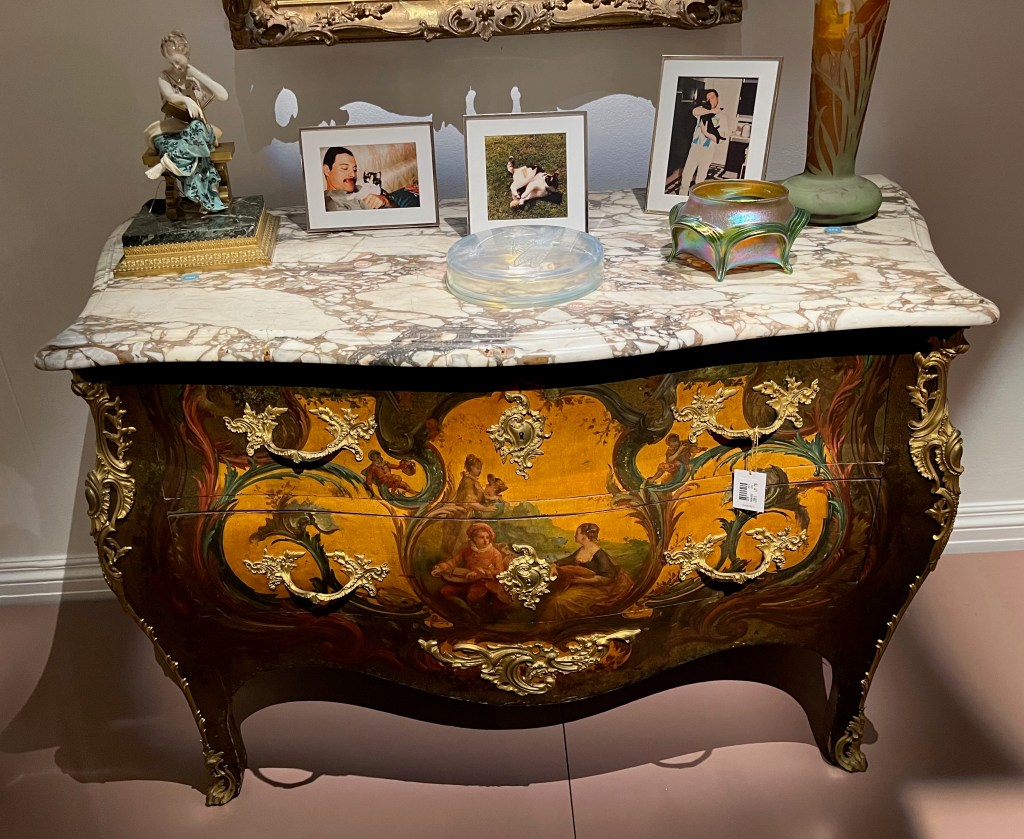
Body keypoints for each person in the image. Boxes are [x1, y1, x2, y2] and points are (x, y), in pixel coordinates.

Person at [144, 31, 229, 213]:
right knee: (187, 146)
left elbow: (223, 95)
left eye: (178, 60)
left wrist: (195, 72)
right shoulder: (164, 76)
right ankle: (205, 199)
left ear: (186, 54)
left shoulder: (194, 76)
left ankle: (165, 164)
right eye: (170, 61)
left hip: (197, 128)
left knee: (197, 129)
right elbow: (170, 96)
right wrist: (186, 100)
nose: (175, 65)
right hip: (173, 128)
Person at [541, 523, 632, 620]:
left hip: (597, 589)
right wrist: (555, 565)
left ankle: (558, 626)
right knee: (553, 596)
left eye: (577, 533)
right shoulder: (582, 549)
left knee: (560, 601)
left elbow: (607, 578)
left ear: (584, 536)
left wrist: (582, 580)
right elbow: (569, 560)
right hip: (581, 585)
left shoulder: (599, 554)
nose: (575, 536)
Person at [431, 522, 511, 608]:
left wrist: (481, 573)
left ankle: (473, 616)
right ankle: (461, 612)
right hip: (465, 579)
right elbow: (454, 561)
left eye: (487, 537)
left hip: (485, 582)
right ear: (474, 538)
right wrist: (441, 568)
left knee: (472, 596)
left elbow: (500, 572)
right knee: (445, 591)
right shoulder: (467, 550)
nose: (485, 540)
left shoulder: (495, 553)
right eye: (481, 537)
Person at [322, 147, 420, 211]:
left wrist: (385, 201)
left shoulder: (358, 187)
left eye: (355, 169)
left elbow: (394, 205)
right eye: (345, 168)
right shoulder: (332, 204)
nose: (352, 174)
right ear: (327, 170)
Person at [673, 89, 732, 194]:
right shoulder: (702, 110)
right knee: (686, 175)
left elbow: (721, 140)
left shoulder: (722, 118)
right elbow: (694, 111)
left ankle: (695, 200)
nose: (710, 100)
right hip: (694, 149)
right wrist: (711, 111)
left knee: (700, 179)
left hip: (707, 151)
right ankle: (681, 198)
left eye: (712, 98)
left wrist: (706, 133)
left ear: (717, 99)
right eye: (708, 98)